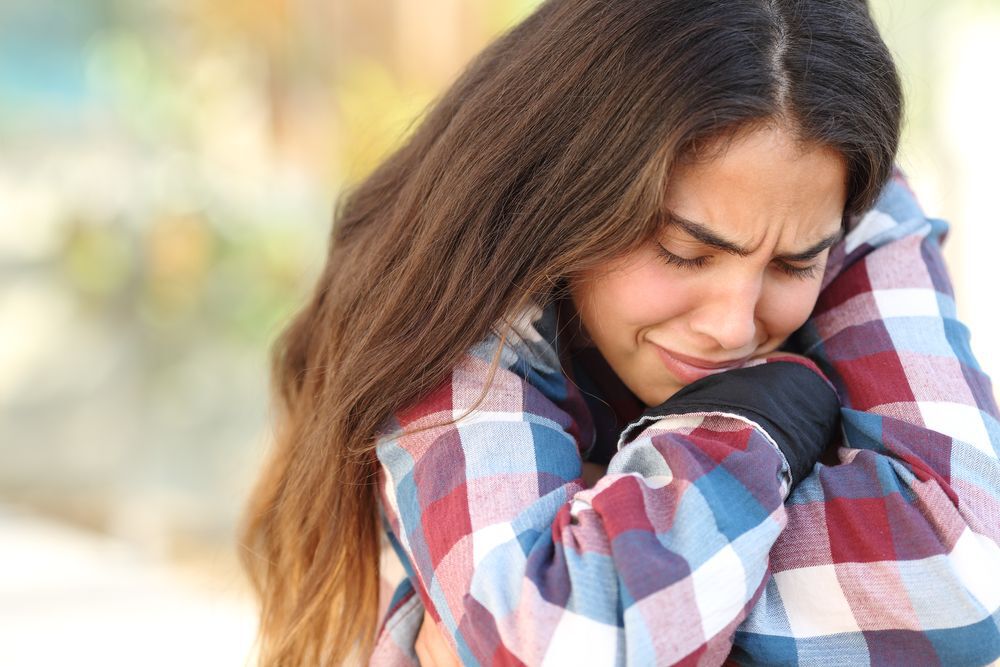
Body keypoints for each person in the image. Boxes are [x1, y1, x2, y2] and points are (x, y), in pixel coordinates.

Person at [238, 1, 1000, 665]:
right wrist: (759, 417)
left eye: (796, 265)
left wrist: (630, 591)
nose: (734, 324)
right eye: (684, 250)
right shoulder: (457, 288)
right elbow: (554, 642)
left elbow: (971, 573)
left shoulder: (840, 198)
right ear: (574, 189)